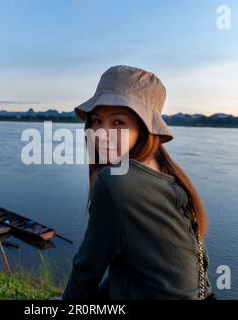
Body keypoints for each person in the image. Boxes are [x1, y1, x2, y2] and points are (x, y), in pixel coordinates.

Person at [63, 65, 214, 300]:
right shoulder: (171, 176)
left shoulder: (116, 182)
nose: (101, 134)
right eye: (96, 121)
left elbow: (87, 270)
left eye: (118, 123)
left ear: (144, 128)